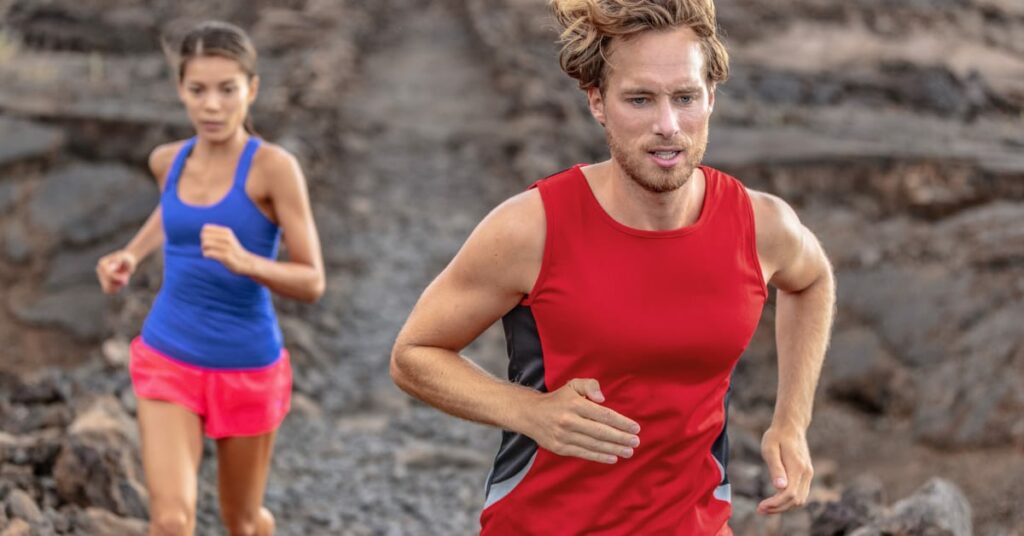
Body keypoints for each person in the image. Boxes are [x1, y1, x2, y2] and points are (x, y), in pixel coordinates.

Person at [390, 0, 835, 533]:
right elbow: (414, 354)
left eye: (685, 98)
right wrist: (529, 411)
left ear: (711, 97)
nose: (668, 126)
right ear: (598, 101)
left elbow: (812, 280)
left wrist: (791, 421)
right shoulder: (532, 228)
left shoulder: (759, 225)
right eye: (640, 99)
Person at [95, 20, 324, 536]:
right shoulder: (167, 161)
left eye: (228, 89)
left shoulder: (274, 169)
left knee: (241, 522)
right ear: (181, 90)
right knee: (171, 521)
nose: (212, 106)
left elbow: (312, 281)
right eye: (198, 90)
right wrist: (129, 255)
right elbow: (172, 214)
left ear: (252, 89)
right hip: (168, 354)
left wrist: (248, 262)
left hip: (246, 364)